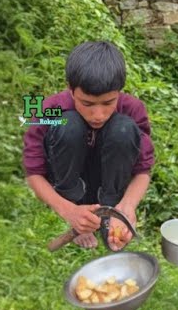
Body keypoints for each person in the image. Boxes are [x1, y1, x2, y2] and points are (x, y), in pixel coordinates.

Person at [23, 40, 154, 250]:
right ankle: (77, 207)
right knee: (69, 125)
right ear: (70, 89)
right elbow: (33, 172)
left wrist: (127, 206)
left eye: (108, 102)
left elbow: (143, 169)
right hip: (68, 175)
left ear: (119, 91)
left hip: (107, 175)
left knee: (124, 129)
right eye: (87, 103)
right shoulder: (49, 109)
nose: (98, 115)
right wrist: (68, 210)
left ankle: (110, 211)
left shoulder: (133, 109)